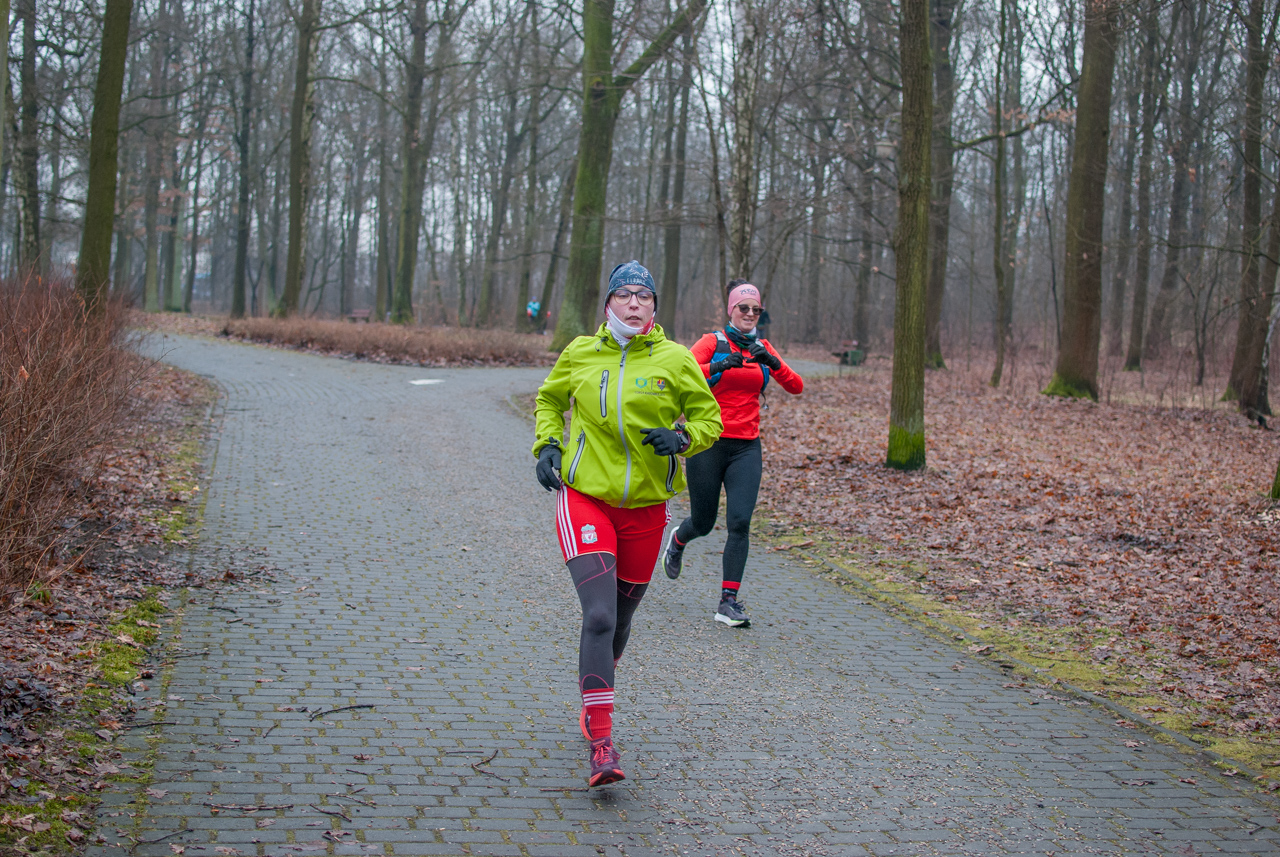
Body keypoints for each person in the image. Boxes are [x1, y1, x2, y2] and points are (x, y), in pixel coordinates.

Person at [532, 261, 722, 787]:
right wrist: (547, 442)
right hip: (585, 498)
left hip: (645, 509)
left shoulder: (676, 360)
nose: (634, 304)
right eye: (624, 295)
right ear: (608, 304)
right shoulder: (580, 352)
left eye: (644, 296)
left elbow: (711, 420)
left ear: (655, 307)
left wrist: (683, 440)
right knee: (597, 616)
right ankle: (601, 741)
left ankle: (597, 693)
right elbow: (550, 400)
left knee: (618, 621)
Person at [661, 279, 804, 627]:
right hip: (708, 442)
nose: (750, 314)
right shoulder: (712, 342)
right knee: (704, 522)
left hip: (746, 447)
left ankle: (728, 602)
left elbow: (796, 386)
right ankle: (678, 539)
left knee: (740, 523)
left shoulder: (763, 347)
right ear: (731, 310)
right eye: (744, 308)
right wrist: (718, 367)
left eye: (757, 310)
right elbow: (679, 374)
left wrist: (772, 360)